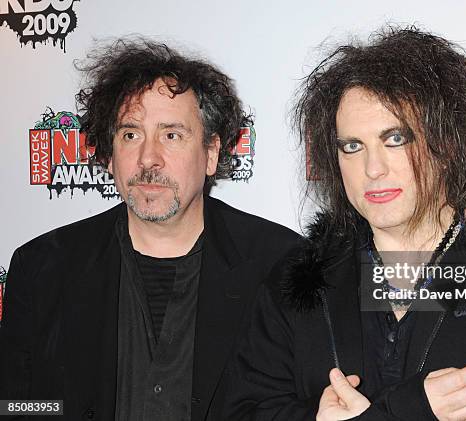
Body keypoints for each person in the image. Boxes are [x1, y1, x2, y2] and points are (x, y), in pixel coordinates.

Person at [225, 26, 466, 420]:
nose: (372, 169)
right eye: (352, 146)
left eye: (395, 139)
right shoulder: (302, 278)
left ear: (447, 144)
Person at [0, 38, 299, 420]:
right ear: (108, 156)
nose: (148, 158)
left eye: (171, 135)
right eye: (130, 134)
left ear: (211, 154)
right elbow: (19, 405)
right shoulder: (43, 267)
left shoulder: (281, 265)